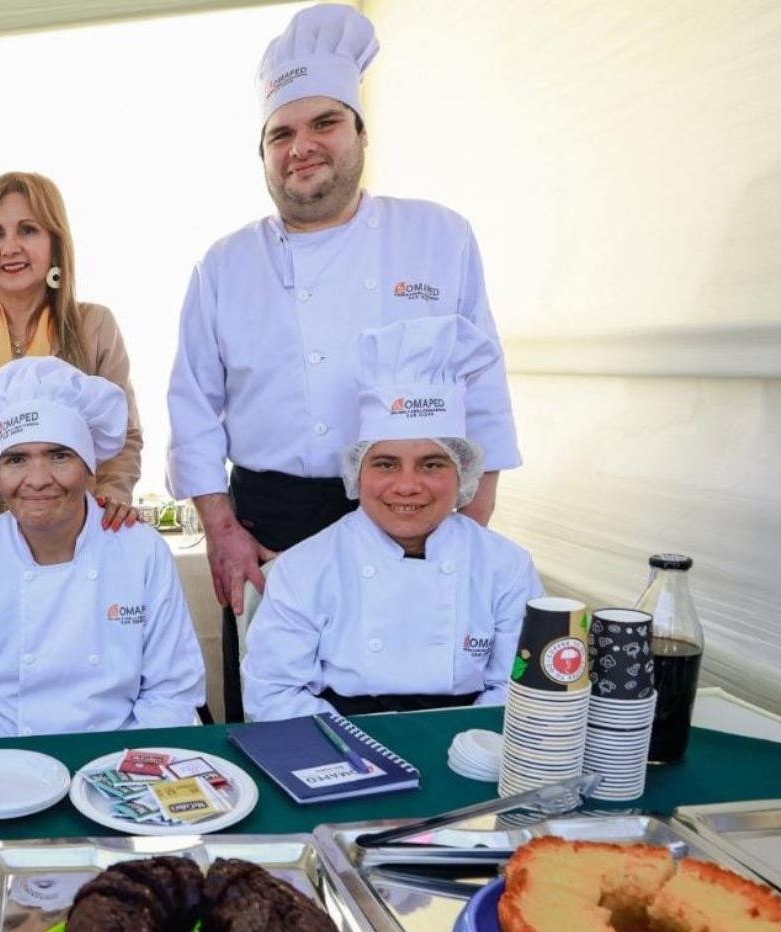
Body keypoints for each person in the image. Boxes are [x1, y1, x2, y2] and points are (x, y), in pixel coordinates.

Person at [165, 3, 521, 625]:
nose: (302, 147)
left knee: (412, 696)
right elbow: (192, 408)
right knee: (279, 702)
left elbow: (484, 384)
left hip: (411, 512)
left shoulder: (440, 236)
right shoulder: (222, 265)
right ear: (263, 153)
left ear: (361, 133)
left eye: (323, 123)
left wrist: (473, 520)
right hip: (272, 522)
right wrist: (220, 529)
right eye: (281, 134)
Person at [242, 315, 540, 720]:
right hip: (339, 744)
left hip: (470, 742)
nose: (407, 485)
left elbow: (518, 689)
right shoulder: (303, 569)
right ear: (357, 473)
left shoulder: (507, 567)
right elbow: (273, 694)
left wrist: (463, 742)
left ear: (463, 475)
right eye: (385, 464)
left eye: (431, 465)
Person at [0, 358, 204, 739]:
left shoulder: (141, 552)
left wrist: (124, 775)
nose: (37, 480)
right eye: (17, 460)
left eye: (59, 455)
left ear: (89, 466)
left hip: (119, 759)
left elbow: (171, 691)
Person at [0, 171, 145, 555]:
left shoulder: (95, 326)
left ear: (55, 244)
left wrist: (112, 493)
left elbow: (126, 437)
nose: (10, 247)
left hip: (79, 541)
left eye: (27, 230)